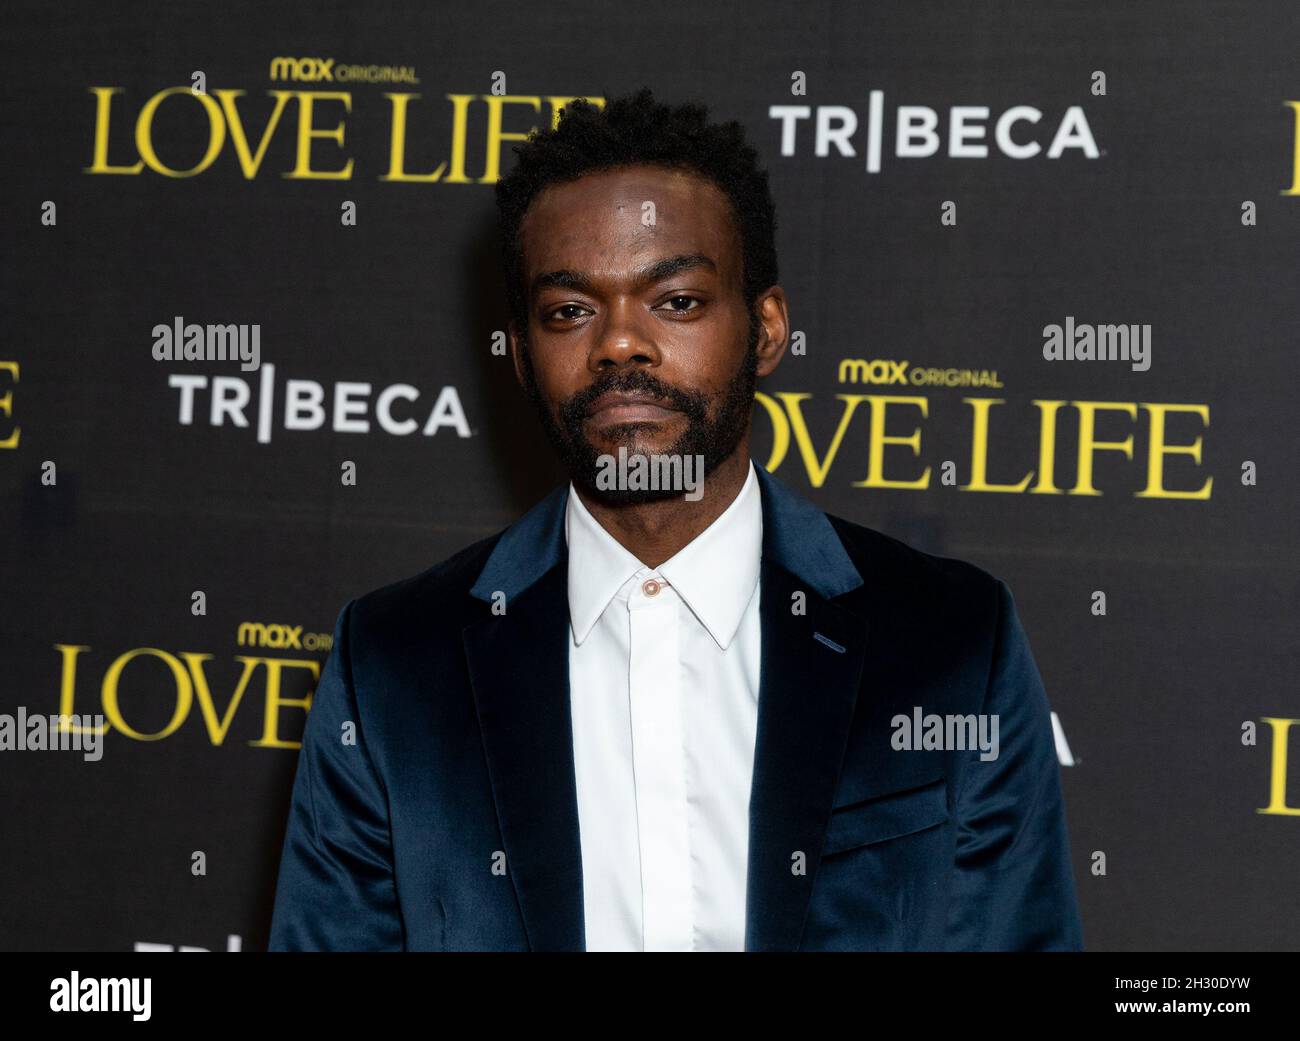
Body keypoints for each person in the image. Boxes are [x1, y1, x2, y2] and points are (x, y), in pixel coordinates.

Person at [268, 88, 1083, 952]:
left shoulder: (952, 641)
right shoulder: (394, 665)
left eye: (677, 300)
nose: (620, 343)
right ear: (522, 356)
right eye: (570, 311)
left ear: (766, 329)